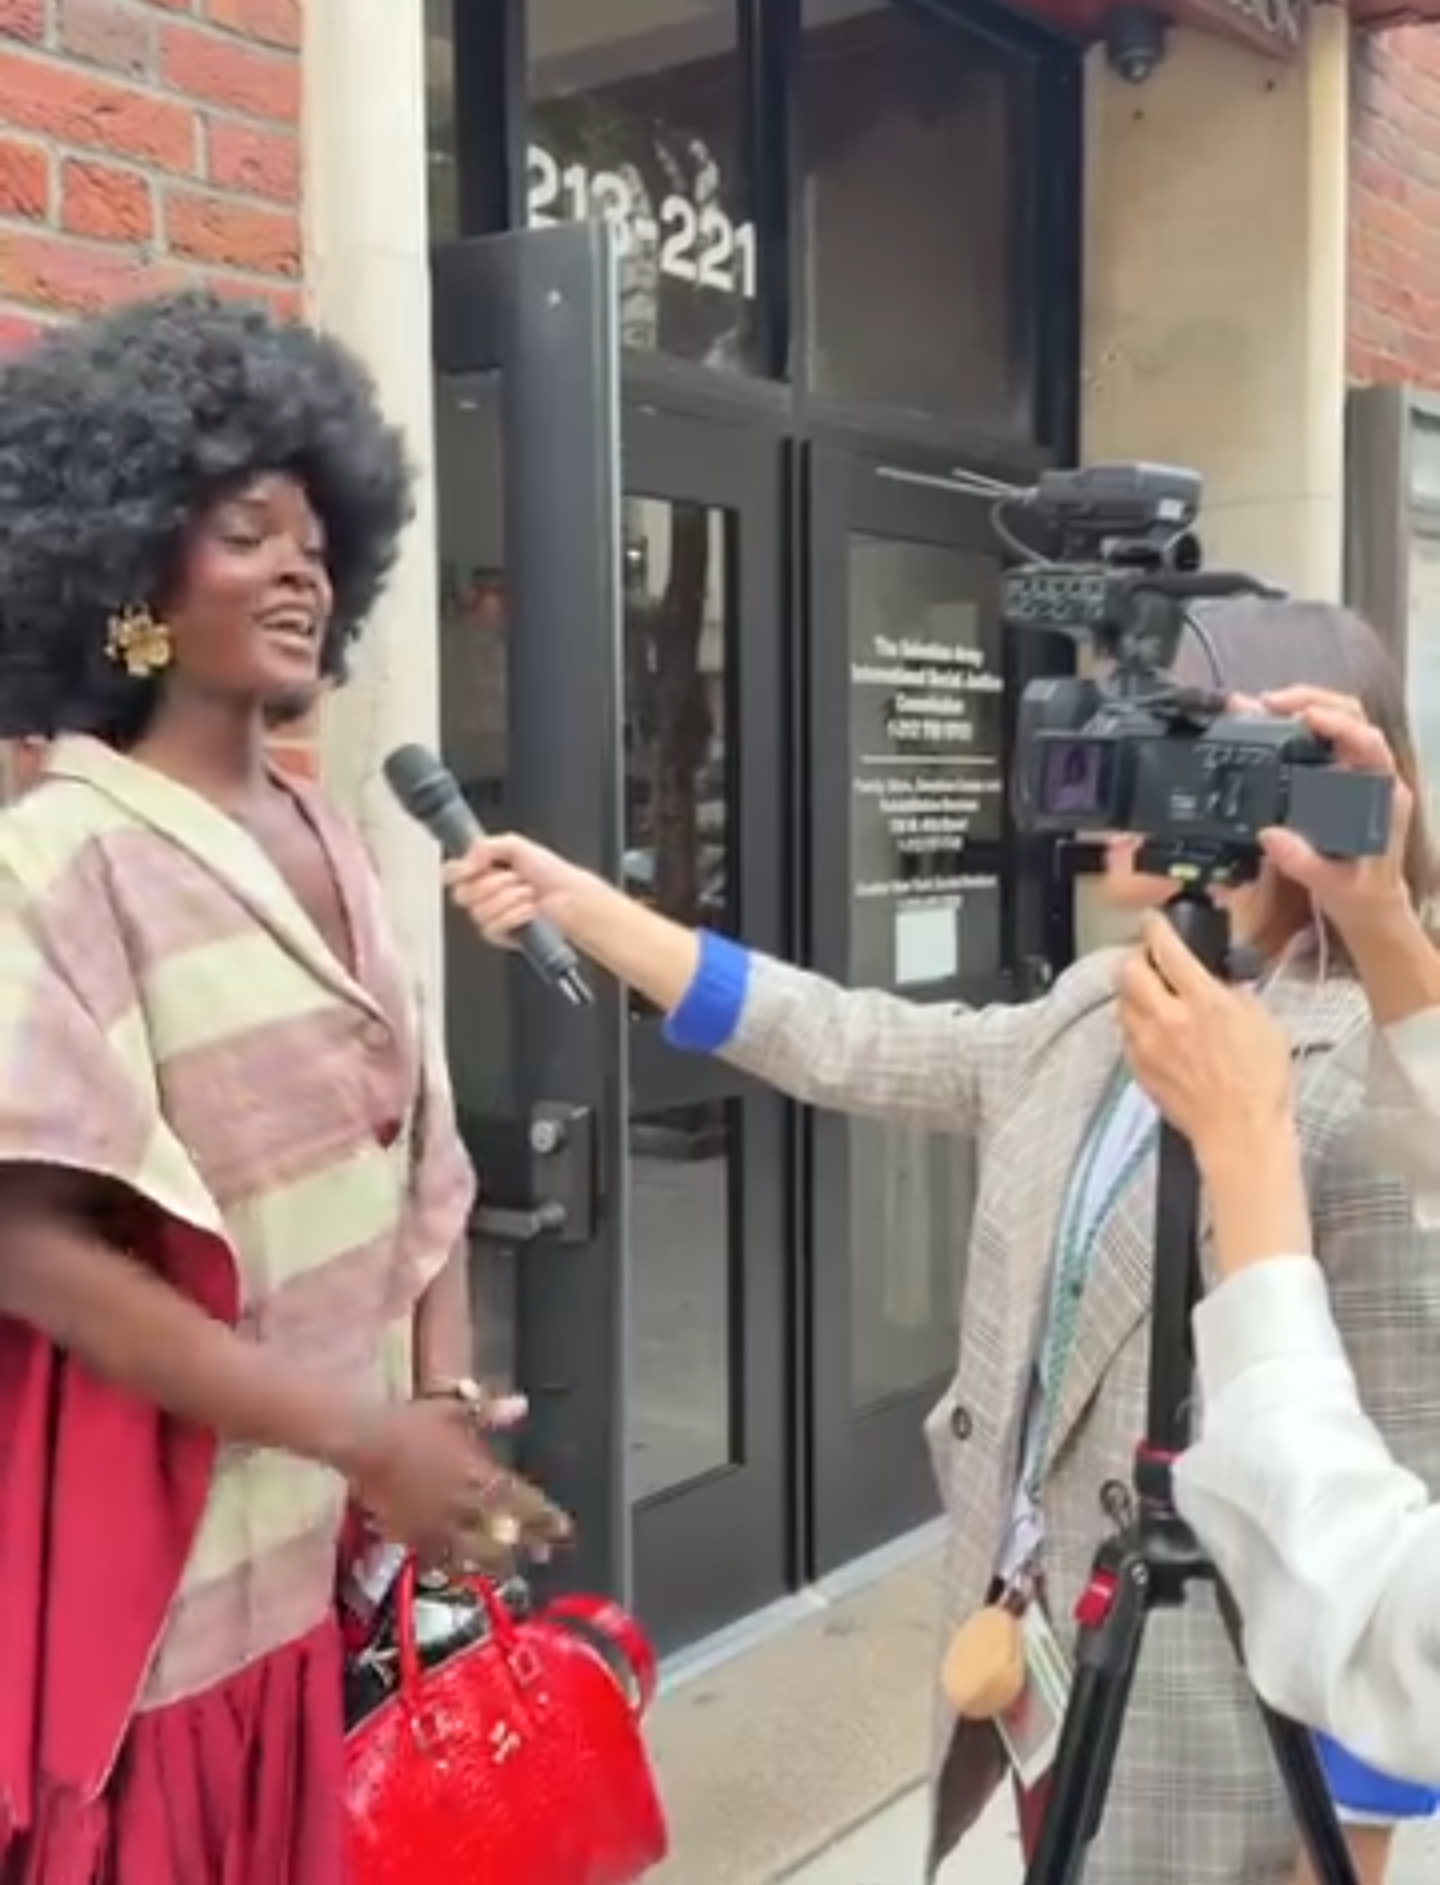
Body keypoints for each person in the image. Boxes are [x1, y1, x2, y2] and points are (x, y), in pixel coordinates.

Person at [444, 600, 1440, 1885]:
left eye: (1165, 735)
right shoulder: (1102, 999)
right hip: (1043, 1664)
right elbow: (849, 1037)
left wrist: (1347, 1847)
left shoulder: (1379, 1078)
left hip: (1228, 1732)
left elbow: (1412, 1454)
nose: (1114, 780)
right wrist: (589, 908)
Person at [0, 291, 568, 1885]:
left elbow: (426, 1165)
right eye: (248, 533)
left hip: (346, 1569)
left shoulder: (342, 840)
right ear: (127, 580)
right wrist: (355, 1430)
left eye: (321, 540)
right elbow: (30, 1241)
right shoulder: (61, 859)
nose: (303, 568)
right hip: (183, 1598)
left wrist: (440, 1411)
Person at [1115, 696, 1440, 1796]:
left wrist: (1245, 1142)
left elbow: (1380, 1615)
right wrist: (1385, 920)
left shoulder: (1330, 1062)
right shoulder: (1081, 1007)